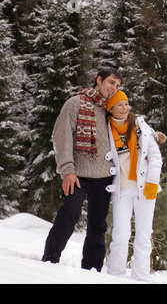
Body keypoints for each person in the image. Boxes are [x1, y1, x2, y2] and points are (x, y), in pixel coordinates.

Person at [42, 67, 122, 272]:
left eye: (118, 85)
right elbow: (62, 137)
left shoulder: (112, 110)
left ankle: (92, 270)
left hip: (104, 176)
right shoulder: (76, 103)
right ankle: (50, 259)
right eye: (111, 82)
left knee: (98, 224)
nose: (114, 88)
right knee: (69, 213)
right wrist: (67, 170)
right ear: (99, 80)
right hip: (77, 174)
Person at [105, 90, 163, 282]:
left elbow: (155, 157)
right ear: (110, 108)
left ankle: (141, 278)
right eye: (119, 104)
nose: (124, 108)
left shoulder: (141, 127)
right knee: (120, 234)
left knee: (144, 236)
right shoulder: (106, 129)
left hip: (144, 187)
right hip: (121, 188)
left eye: (126, 103)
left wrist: (153, 182)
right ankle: (115, 276)